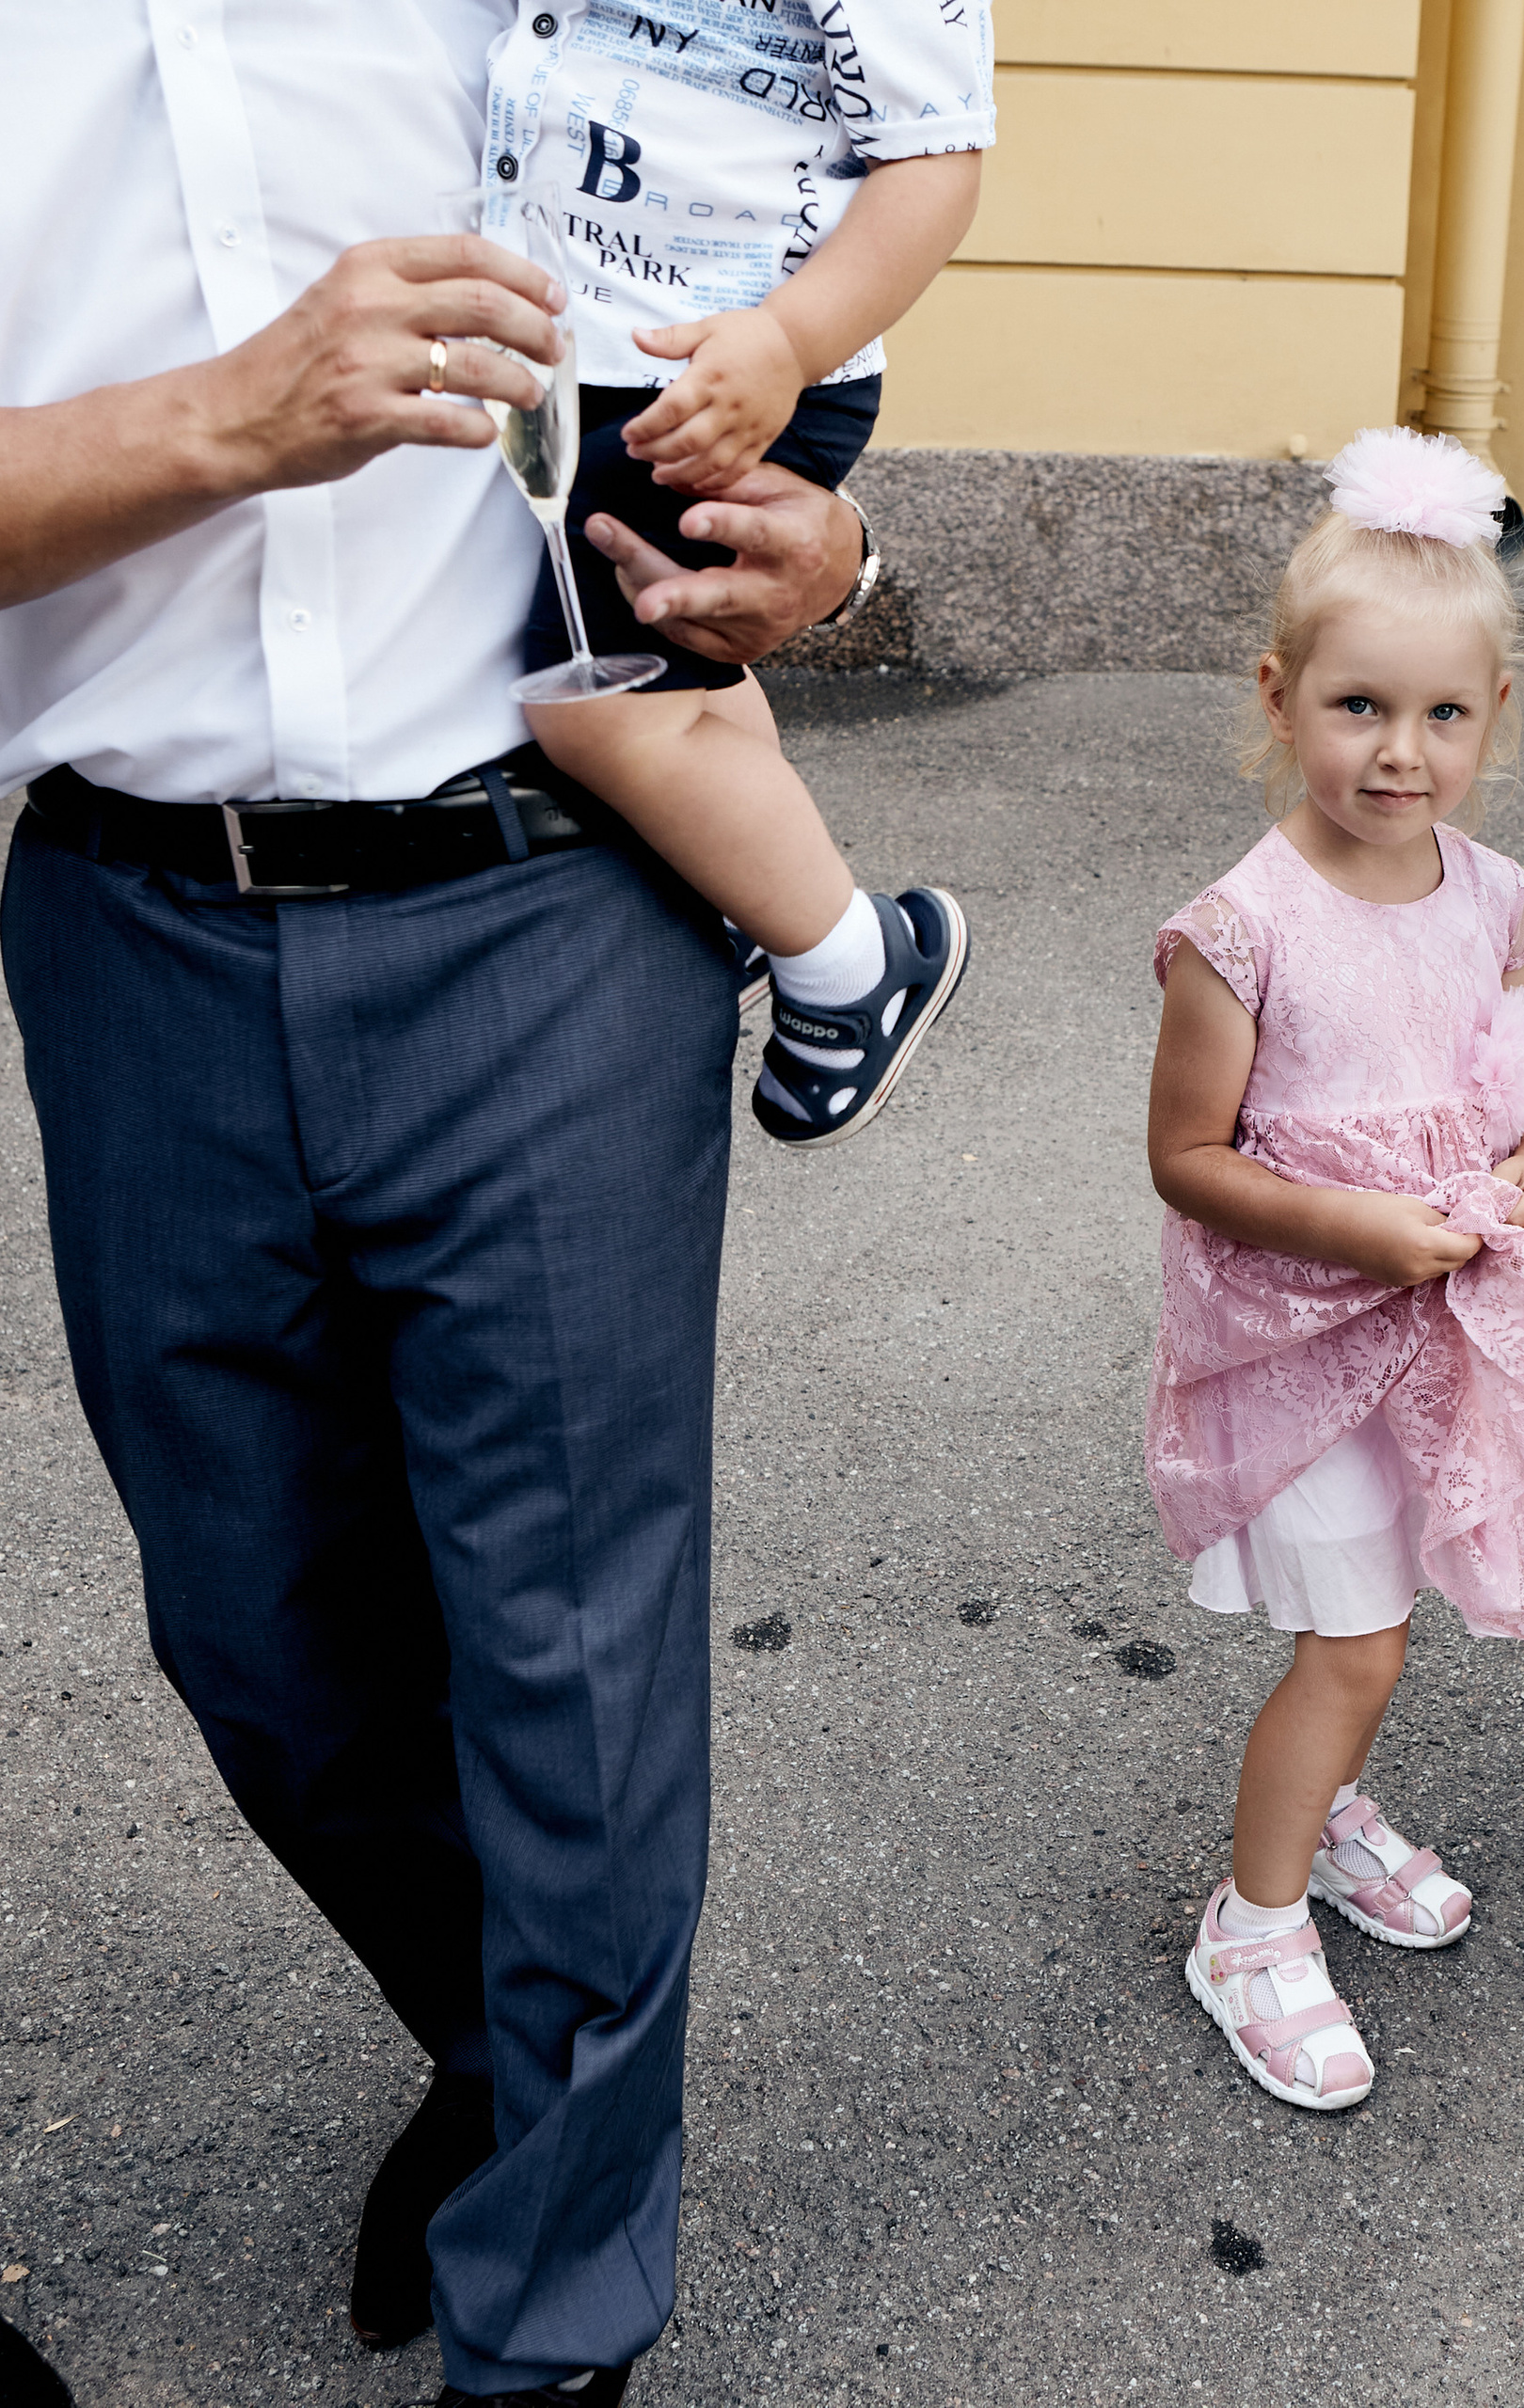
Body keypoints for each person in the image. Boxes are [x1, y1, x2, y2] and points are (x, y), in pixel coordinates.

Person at [1, 14, 874, 2402]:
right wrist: (226, 416)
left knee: (571, 1662)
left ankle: (553, 2304)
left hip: (550, 898)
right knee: (258, 1631)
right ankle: (510, 2056)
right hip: (126, 913)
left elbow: (766, 236)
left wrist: (821, 527)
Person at [1144, 428, 1524, 2111]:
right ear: (1281, 695)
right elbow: (1190, 1158)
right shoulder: (1242, 927)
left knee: (1385, 1618)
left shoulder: (1501, 901)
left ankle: (1328, 1801)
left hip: (1449, 1327)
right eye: (1359, 706)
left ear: (1494, 714)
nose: (1399, 751)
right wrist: (1362, 1226)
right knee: (1355, 1640)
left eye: (1443, 714)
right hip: (1300, 1334)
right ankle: (1255, 1920)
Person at [485, 2, 990, 1148]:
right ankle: (756, 892)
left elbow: (938, 163)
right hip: (596, 347)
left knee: (597, 711)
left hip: (727, 364)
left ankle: (852, 961)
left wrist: (789, 341)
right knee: (685, 682)